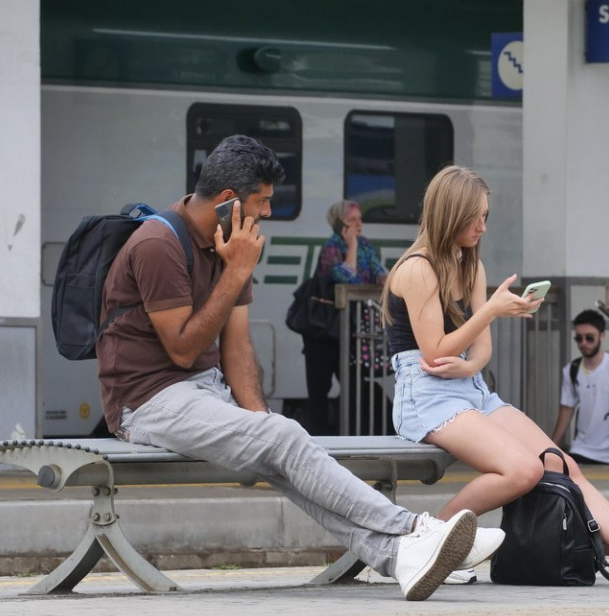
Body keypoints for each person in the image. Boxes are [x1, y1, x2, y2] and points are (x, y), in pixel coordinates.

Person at [95, 134, 500, 601]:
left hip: (203, 394)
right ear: (229, 201)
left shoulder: (232, 243)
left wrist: (260, 423)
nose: (266, 213)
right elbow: (183, 350)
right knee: (284, 438)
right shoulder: (158, 245)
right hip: (148, 402)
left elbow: (239, 348)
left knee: (281, 443)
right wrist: (236, 273)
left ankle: (401, 559)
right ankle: (416, 529)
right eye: (262, 202)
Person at [381, 165, 609, 589]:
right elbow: (434, 351)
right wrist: (491, 312)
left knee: (561, 464)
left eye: (486, 216)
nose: (482, 226)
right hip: (424, 396)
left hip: (469, 388)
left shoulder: (469, 266)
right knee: (521, 471)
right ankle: (426, 543)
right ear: (448, 215)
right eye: (474, 217)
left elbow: (481, 350)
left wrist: (473, 362)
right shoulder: (417, 269)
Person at [301, 200, 388, 435]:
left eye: (360, 218)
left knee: (354, 385)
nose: (359, 224)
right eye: (352, 220)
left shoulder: (366, 245)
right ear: (340, 224)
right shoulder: (331, 248)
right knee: (319, 388)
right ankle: (318, 437)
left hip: (350, 330)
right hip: (323, 331)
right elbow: (347, 279)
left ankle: (353, 435)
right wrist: (350, 246)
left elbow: (378, 272)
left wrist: (388, 280)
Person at [551, 309, 609, 466]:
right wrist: (552, 445)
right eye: (578, 339)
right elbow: (567, 409)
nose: (583, 343)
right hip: (581, 449)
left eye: (589, 338)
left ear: (602, 336)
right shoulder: (571, 370)